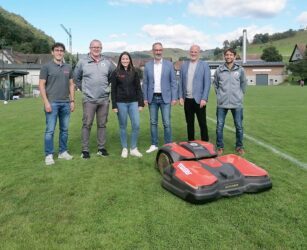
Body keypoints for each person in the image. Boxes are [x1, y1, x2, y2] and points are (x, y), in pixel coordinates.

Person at [74, 39, 115, 159]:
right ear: (90, 48)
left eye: (99, 47)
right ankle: (85, 150)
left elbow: (114, 75)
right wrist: (84, 89)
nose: (96, 49)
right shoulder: (82, 62)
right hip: (89, 100)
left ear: (101, 48)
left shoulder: (107, 62)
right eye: (94, 47)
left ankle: (101, 148)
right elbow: (76, 78)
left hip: (104, 100)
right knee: (87, 124)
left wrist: (107, 88)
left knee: (102, 124)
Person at [39, 42, 75, 165]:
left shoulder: (68, 67)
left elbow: (71, 84)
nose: (59, 52)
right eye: (57, 50)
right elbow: (41, 85)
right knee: (50, 130)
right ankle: (49, 155)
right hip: (52, 103)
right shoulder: (46, 67)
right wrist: (46, 102)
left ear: (63, 52)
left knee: (64, 130)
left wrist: (72, 101)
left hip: (65, 103)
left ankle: (62, 152)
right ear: (52, 52)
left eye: (61, 50)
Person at [142, 42, 178, 153]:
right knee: (153, 122)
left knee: (166, 122)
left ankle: (168, 144)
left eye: (160, 50)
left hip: (165, 98)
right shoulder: (148, 65)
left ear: (162, 51)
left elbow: (173, 82)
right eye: (156, 50)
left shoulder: (169, 65)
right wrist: (145, 98)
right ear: (153, 51)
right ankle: (154, 144)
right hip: (152, 98)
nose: (158, 52)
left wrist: (174, 97)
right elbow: (145, 83)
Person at [213, 48, 247, 155]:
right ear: (224, 56)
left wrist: (240, 96)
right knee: (219, 126)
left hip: (236, 103)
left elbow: (243, 84)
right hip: (222, 103)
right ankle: (219, 146)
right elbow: (215, 84)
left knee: (239, 126)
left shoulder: (240, 70)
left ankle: (239, 146)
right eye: (227, 55)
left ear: (235, 56)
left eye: (231, 55)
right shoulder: (219, 70)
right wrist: (219, 96)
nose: (228, 57)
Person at [111, 52, 144, 158]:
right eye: (123, 59)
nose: (125, 60)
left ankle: (133, 148)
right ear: (120, 60)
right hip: (121, 103)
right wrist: (114, 105)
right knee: (123, 126)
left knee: (136, 125)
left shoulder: (134, 72)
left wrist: (141, 103)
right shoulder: (116, 72)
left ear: (130, 60)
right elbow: (113, 90)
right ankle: (125, 148)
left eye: (127, 59)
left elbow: (138, 88)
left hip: (133, 102)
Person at [179, 44, 211, 141]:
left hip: (199, 100)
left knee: (202, 123)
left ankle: (205, 143)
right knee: (189, 123)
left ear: (199, 53)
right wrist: (180, 97)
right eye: (192, 51)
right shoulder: (184, 65)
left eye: (195, 52)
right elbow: (180, 82)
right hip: (187, 100)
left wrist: (204, 98)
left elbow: (207, 83)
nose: (193, 53)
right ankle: (191, 142)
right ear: (189, 52)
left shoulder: (204, 65)